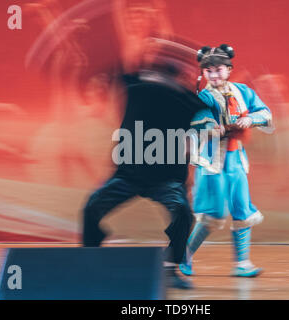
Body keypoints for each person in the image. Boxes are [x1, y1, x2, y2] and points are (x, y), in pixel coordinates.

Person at [82, 39, 207, 289]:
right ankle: (90, 262)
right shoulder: (136, 83)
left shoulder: (189, 100)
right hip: (128, 176)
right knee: (92, 207)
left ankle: (171, 269)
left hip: (166, 180)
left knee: (183, 213)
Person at [179, 44, 274, 277]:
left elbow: (266, 114)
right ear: (203, 73)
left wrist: (249, 119)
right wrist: (212, 127)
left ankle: (242, 263)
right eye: (209, 71)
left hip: (236, 159)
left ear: (229, 69)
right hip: (211, 161)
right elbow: (195, 122)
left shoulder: (243, 92)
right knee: (213, 213)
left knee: (242, 208)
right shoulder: (202, 97)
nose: (214, 74)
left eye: (219, 69)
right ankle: (185, 255)